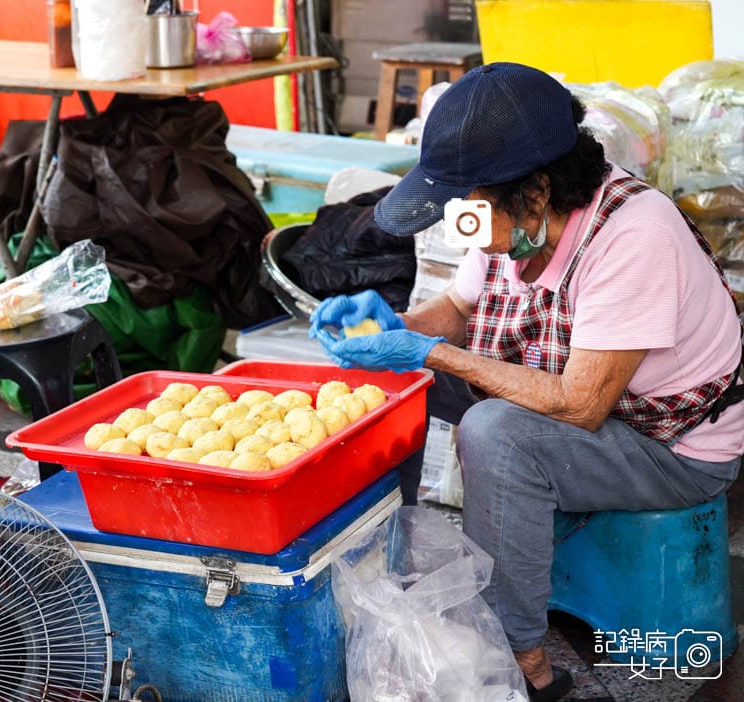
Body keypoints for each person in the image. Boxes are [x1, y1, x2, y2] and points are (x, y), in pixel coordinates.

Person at [310, 62, 744, 702]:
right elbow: (457, 313)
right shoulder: (508, 219)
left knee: (496, 433)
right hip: (585, 403)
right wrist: (392, 325)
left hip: (672, 446)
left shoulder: (633, 236)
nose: (464, 219)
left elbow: (581, 404)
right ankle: (395, 576)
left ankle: (523, 659)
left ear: (537, 194)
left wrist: (428, 352)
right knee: (395, 388)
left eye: (471, 204)